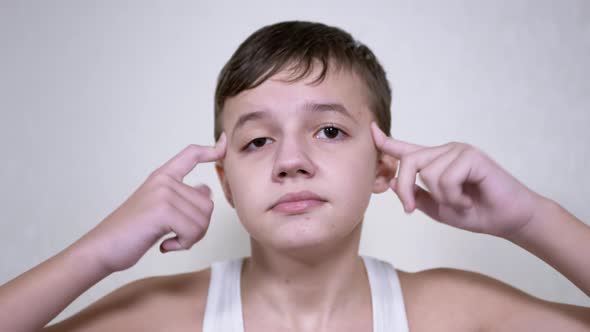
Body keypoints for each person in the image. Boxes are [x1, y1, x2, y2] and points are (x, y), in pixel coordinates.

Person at [1, 20, 589, 332]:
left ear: (384, 166)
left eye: (329, 130)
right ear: (227, 183)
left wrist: (530, 219)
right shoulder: (164, 316)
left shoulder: (448, 312)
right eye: (257, 141)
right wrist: (98, 252)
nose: (290, 160)